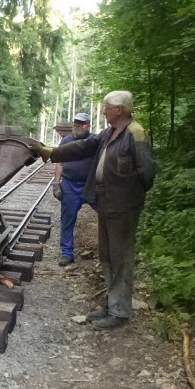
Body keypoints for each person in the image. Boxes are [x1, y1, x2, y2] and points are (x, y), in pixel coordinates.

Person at [32, 91, 155, 330]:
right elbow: (83, 147)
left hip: (123, 206)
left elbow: (147, 174)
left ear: (119, 110)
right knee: (107, 256)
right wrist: (49, 151)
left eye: (107, 107)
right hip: (106, 201)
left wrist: (128, 195)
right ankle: (112, 305)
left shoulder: (135, 134)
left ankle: (120, 313)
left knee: (120, 257)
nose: (104, 111)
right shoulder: (109, 133)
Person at [53, 113, 96, 267]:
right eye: (76, 122)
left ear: (88, 125)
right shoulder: (66, 141)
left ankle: (109, 250)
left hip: (90, 185)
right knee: (67, 220)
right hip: (70, 184)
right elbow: (59, 163)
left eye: (82, 123)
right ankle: (67, 253)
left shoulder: (94, 141)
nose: (78, 125)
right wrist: (56, 184)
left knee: (106, 213)